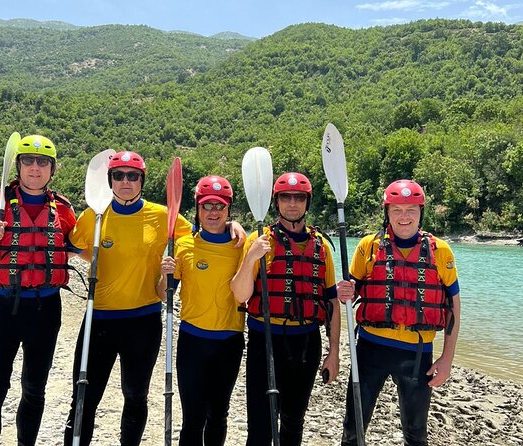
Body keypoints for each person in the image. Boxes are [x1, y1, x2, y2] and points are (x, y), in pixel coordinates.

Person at [63, 152, 246, 445]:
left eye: (132, 175)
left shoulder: (163, 216)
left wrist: (232, 225)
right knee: (84, 395)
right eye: (118, 175)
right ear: (110, 179)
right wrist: (95, 259)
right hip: (99, 318)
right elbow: (71, 247)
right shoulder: (94, 215)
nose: (125, 181)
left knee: (135, 396)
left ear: (141, 180)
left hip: (143, 321)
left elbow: (205, 230)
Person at [0, 134, 77, 446]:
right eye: (28, 161)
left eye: (43, 162)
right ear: (18, 166)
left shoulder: (63, 210)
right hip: (0, 307)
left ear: (53, 169)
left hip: (45, 309)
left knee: (34, 389)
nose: (35, 168)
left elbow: (77, 248)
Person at [337, 179, 461, 446]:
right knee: (353, 429)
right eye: (396, 210)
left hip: (417, 354)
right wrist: (344, 291)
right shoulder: (368, 246)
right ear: (387, 212)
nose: (404, 216)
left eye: (411, 210)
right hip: (370, 350)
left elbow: (453, 306)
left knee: (416, 434)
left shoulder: (441, 252)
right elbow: (350, 291)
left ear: (420, 213)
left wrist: (447, 359)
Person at [230, 172, 341, 446]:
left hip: (305, 344)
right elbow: (241, 294)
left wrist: (334, 352)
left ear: (307, 202)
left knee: (293, 422)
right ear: (276, 202)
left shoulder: (322, 247)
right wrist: (251, 257)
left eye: (299, 198)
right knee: (260, 425)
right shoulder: (260, 242)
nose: (292, 203)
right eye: (285, 197)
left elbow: (332, 303)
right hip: (264, 342)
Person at [157, 175, 245, 446]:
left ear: (229, 210)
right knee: (193, 418)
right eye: (207, 206)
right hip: (192, 341)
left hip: (229, 341)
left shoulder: (241, 246)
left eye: (220, 206)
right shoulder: (183, 246)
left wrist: (238, 227)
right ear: (197, 209)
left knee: (218, 415)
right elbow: (163, 295)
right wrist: (164, 274)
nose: (213, 212)